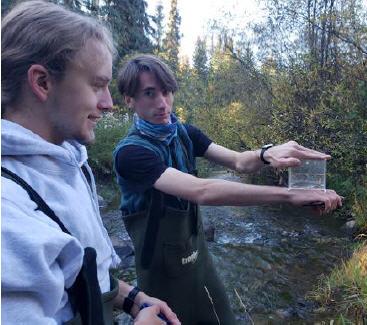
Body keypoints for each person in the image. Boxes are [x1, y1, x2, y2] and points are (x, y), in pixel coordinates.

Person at [113, 54, 343, 324]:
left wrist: (266, 153)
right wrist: (289, 195)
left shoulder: (185, 134)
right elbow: (203, 190)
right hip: (158, 272)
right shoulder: (130, 154)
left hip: (198, 259)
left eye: (166, 92)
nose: (162, 103)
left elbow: (237, 162)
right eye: (149, 94)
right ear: (130, 99)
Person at [1, 2, 181, 325]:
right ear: (42, 82)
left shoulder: (67, 156)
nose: (109, 103)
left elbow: (73, 271)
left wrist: (132, 299)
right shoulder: (8, 213)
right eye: (97, 85)